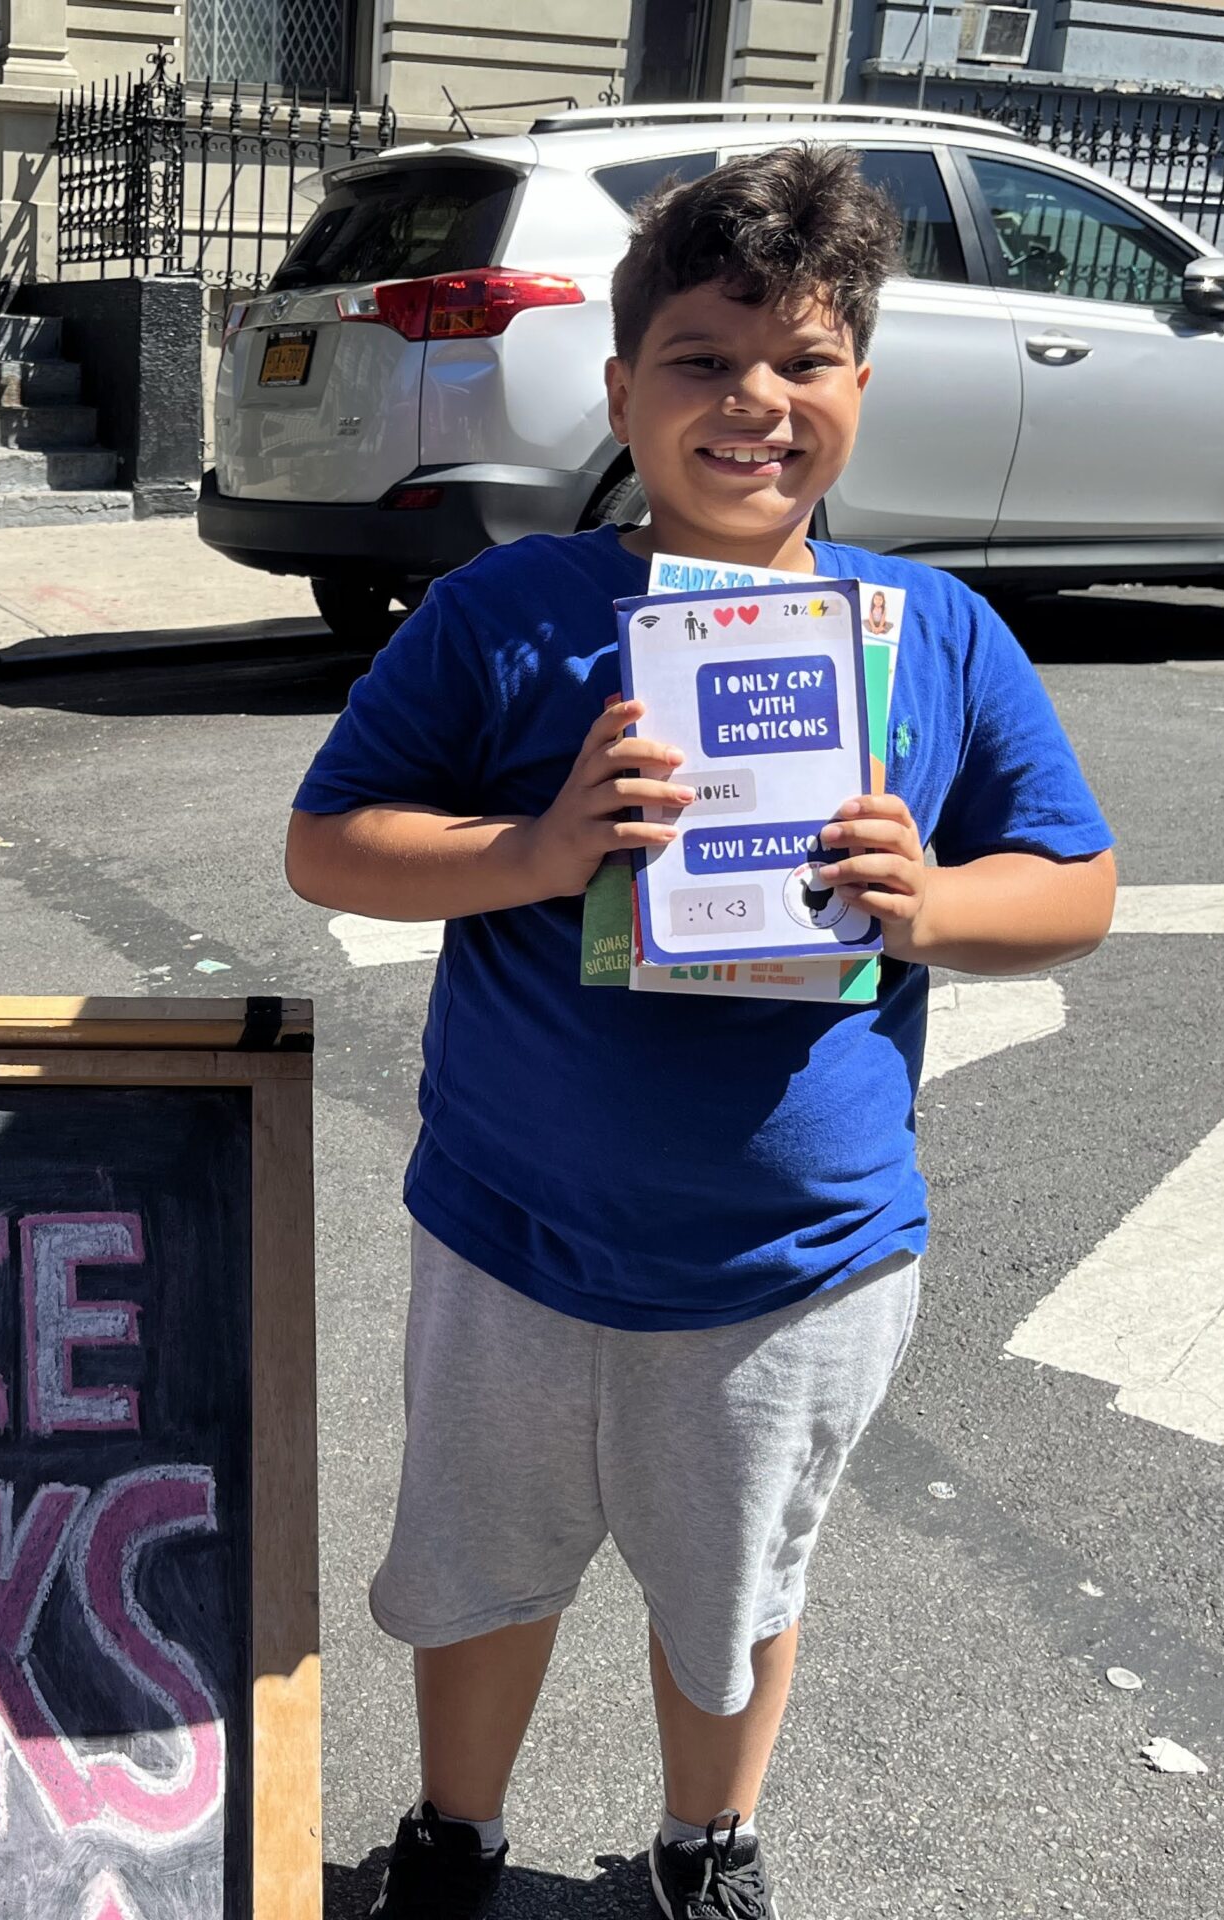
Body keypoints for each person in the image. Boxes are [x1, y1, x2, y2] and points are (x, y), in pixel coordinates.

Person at [285, 146, 1116, 1920]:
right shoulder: (506, 614)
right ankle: (455, 1833)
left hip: (794, 1260)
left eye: (804, 363)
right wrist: (535, 849)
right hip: (511, 1242)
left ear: (860, 391)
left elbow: (1079, 883)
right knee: (485, 1564)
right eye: (702, 361)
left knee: (736, 1582)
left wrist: (938, 900)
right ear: (621, 390)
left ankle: (703, 1846)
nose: (755, 403)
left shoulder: (938, 636)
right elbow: (329, 842)